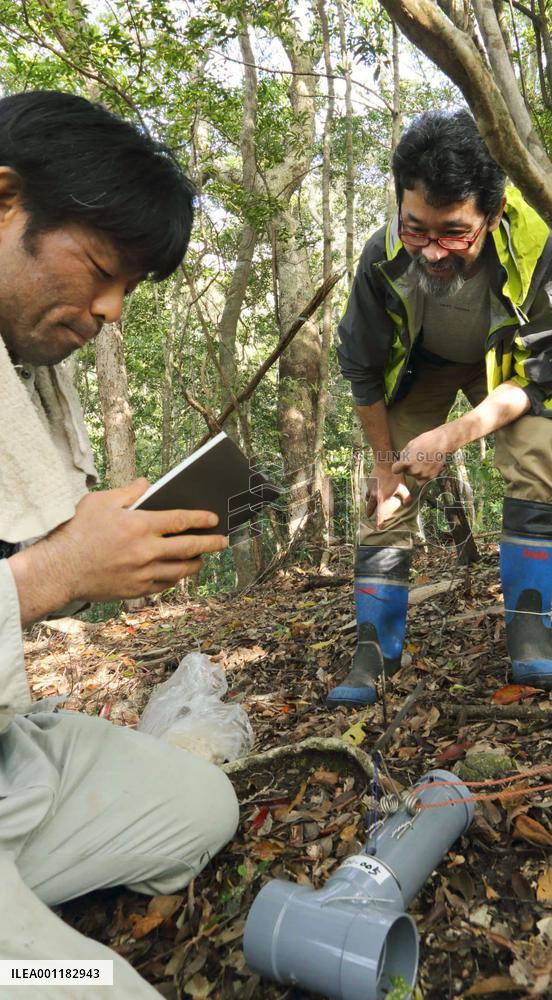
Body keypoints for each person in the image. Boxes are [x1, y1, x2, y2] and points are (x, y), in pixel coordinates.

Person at [0, 91, 238, 997]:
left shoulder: (24, 383)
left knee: (196, 807)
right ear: (4, 199)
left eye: (128, 287)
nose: (110, 309)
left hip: (8, 759)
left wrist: (97, 554)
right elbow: (31, 578)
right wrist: (53, 574)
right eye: (100, 267)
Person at [330, 108, 552, 708]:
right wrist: (387, 462)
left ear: (492, 216)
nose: (433, 252)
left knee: (542, 448)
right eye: (417, 229)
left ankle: (528, 628)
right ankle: (375, 647)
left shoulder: (536, 248)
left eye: (453, 233)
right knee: (384, 495)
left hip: (506, 373)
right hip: (426, 368)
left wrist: (454, 436)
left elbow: (541, 376)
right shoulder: (381, 257)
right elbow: (362, 366)